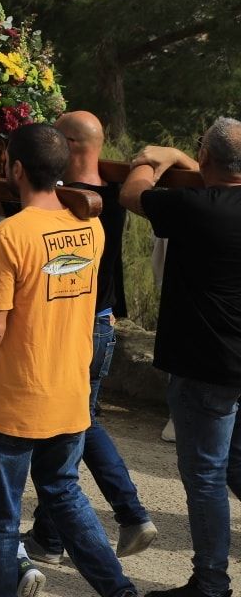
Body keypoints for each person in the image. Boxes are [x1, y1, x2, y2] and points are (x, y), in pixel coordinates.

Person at [0, 124, 135, 597]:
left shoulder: (9, 234)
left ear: (16, 169)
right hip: (69, 393)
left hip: (15, 402)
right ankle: (120, 591)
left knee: (0, 520)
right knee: (64, 494)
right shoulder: (91, 227)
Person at [22, 112, 156, 565]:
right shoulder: (114, 197)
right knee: (72, 422)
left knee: (77, 423)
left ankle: (130, 512)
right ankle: (49, 536)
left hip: (76, 324)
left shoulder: (70, 201)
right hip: (101, 321)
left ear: (70, 144)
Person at [122, 119, 241, 597]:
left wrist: (156, 158)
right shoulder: (209, 204)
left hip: (205, 365)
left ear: (204, 158)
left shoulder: (196, 208)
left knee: (207, 476)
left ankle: (210, 583)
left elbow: (133, 193)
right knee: (234, 467)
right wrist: (185, 154)